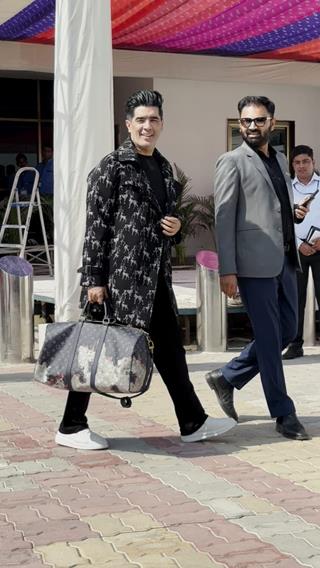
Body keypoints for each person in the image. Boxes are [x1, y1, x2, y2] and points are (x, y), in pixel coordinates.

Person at [55, 89, 236, 450]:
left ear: (161, 124)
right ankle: (71, 426)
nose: (147, 126)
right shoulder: (112, 167)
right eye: (140, 120)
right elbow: (97, 227)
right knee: (99, 348)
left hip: (155, 280)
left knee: (170, 351)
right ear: (128, 124)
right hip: (121, 282)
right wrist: (94, 280)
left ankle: (192, 421)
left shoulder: (165, 167)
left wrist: (176, 229)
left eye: (153, 119)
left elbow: (162, 221)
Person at [205, 95, 311, 441]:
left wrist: (290, 214)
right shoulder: (231, 161)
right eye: (246, 121)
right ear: (239, 124)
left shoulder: (280, 159)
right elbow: (223, 219)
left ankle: (228, 376)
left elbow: (274, 202)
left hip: (285, 259)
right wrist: (227, 270)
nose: (252, 126)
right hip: (252, 266)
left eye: (259, 120)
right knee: (269, 341)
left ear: (272, 123)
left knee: (288, 330)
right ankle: (284, 413)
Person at [283, 145, 320, 359]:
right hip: (297, 250)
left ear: (313, 162)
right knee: (296, 299)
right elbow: (283, 221)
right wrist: (298, 244)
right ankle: (295, 344)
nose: (301, 166)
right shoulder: (288, 188)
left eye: (305, 161)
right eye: (297, 162)